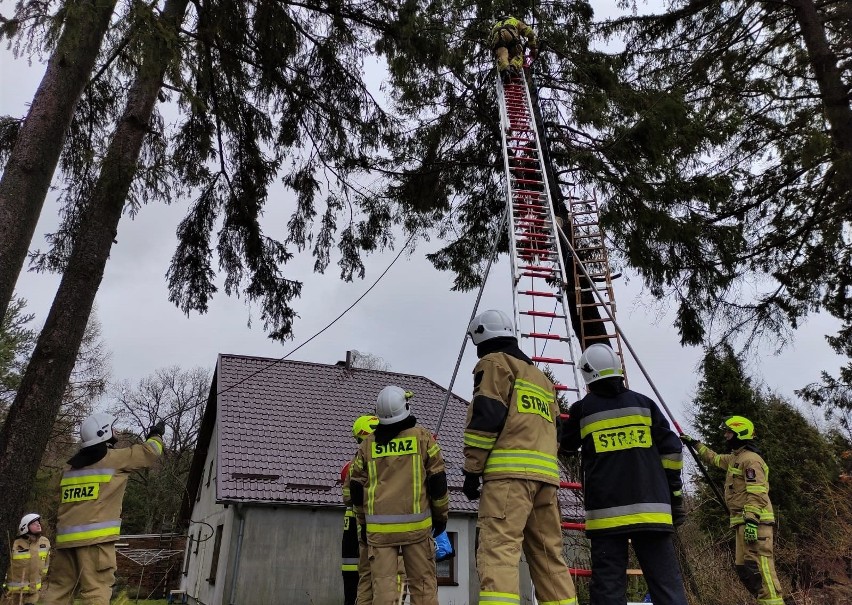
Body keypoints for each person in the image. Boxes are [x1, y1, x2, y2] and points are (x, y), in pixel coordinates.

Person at [463, 309, 578, 605]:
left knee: (499, 551)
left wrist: (472, 470)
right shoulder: (541, 378)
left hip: (508, 480)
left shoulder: (494, 363)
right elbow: (557, 429)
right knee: (549, 557)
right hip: (546, 482)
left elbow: (487, 416)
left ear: (481, 336)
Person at [559, 343, 689, 605]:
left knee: (608, 589)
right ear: (617, 369)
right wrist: (674, 499)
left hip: (607, 518)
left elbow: (566, 446)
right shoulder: (645, 405)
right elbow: (673, 451)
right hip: (652, 511)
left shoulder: (583, 411)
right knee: (667, 587)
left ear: (587, 375)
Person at [41, 412, 164, 605]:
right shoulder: (114, 459)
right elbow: (150, 453)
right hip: (96, 543)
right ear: (104, 432)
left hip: (66, 543)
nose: (116, 431)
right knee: (96, 590)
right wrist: (156, 435)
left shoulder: (69, 469)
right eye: (112, 428)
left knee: (58, 591)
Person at [350, 387, 449, 605]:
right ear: (405, 407)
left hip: (379, 534)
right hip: (417, 530)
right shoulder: (423, 438)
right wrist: (440, 518)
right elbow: (438, 483)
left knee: (383, 592)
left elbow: (356, 488)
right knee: (423, 588)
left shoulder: (368, 445)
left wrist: (363, 523)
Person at [681, 416, 788, 605]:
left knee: (761, 570)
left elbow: (757, 492)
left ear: (740, 433)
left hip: (756, 522)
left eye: (729, 432)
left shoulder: (751, 460)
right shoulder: (736, 458)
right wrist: (695, 444)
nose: (725, 435)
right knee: (745, 569)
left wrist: (752, 520)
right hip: (742, 522)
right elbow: (714, 459)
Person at [341, 414, 379, 605]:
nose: (357, 444)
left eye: (358, 439)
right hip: (385, 535)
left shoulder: (356, 463)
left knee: (366, 583)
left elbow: (348, 496)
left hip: (365, 535)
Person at [3, 514, 50, 605]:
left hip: (33, 593)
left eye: (38, 522)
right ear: (25, 527)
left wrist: (40, 579)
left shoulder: (45, 542)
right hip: (12, 594)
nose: (38, 525)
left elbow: (46, 564)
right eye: (34, 523)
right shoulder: (14, 544)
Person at [489, 13, 538, 84]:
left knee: (502, 55)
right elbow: (529, 32)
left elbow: (490, 42)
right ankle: (513, 68)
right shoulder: (514, 20)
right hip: (510, 34)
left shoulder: (495, 26)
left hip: (497, 36)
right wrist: (533, 48)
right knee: (518, 54)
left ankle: (506, 72)